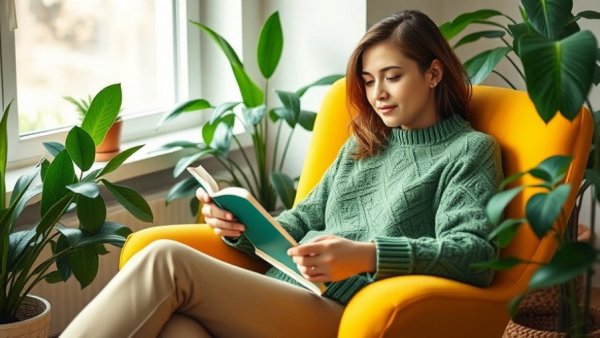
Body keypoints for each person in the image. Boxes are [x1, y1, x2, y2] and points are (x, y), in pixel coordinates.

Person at [62, 9, 503, 338]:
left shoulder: (469, 151)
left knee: (165, 258)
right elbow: (299, 222)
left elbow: (472, 254)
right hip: (282, 292)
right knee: (179, 331)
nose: (378, 95)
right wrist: (239, 225)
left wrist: (366, 254)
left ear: (433, 73)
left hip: (344, 313)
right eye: (368, 81)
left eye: (392, 77)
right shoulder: (364, 145)